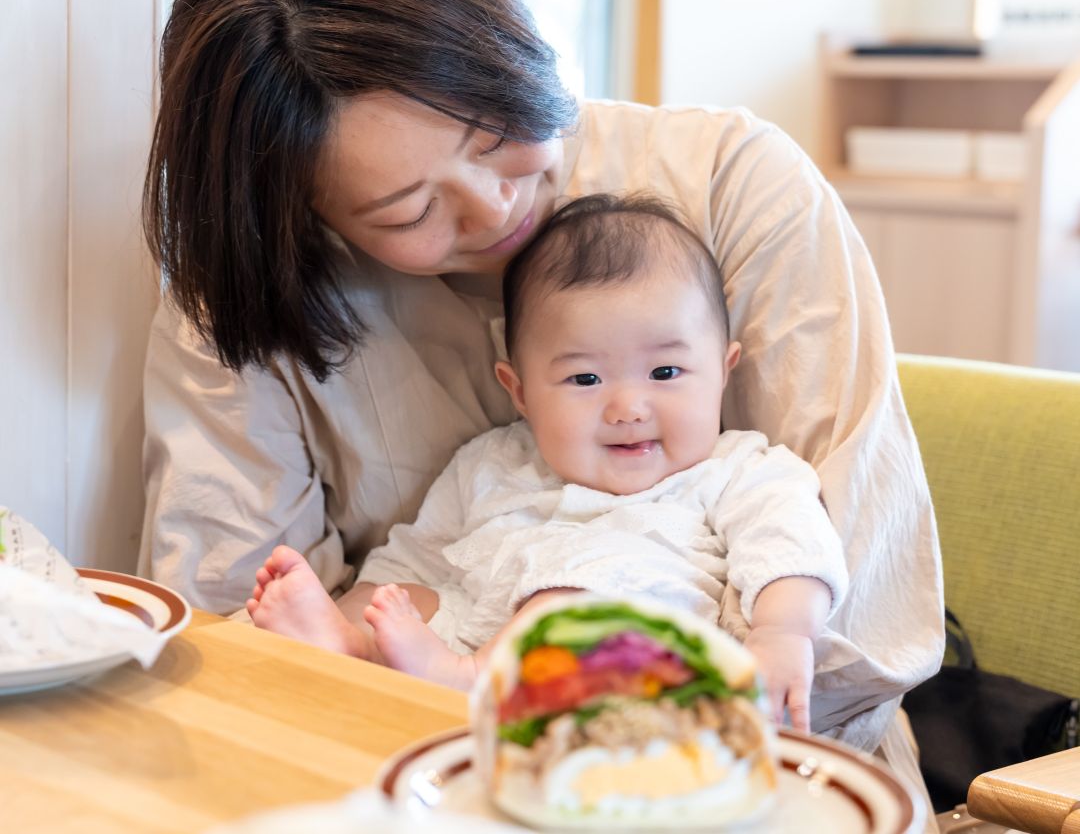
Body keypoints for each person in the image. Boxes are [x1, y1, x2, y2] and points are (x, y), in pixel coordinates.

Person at [137, 0, 941, 778]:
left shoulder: (730, 184)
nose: (494, 208)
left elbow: (865, 615)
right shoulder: (250, 301)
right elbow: (239, 639)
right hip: (406, 769)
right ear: (303, 218)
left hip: (756, 772)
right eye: (408, 211)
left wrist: (603, 724)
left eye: (495, 134)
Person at [246, 193, 850, 732]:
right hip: (467, 634)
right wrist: (367, 608)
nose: (627, 408)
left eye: (665, 372)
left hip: (621, 671)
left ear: (723, 369)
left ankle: (468, 682)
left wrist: (782, 633)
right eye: (585, 379)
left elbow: (791, 545)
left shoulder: (737, 467)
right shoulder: (491, 461)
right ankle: (350, 650)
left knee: (577, 593)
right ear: (520, 391)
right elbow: (418, 555)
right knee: (404, 593)